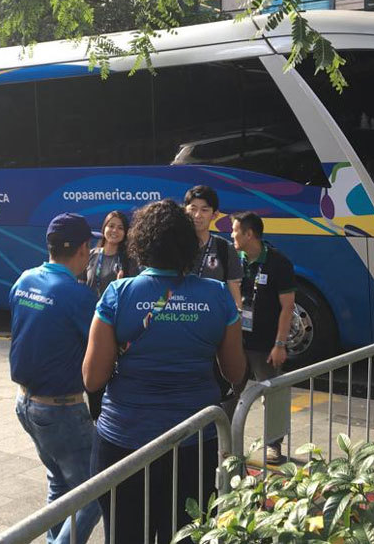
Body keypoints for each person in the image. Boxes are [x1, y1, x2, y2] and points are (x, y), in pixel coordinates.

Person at [83, 199, 246, 543]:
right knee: (185, 534)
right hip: (194, 441)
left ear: (140, 243)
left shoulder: (118, 294)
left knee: (126, 536)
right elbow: (235, 372)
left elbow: (92, 379)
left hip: (124, 441)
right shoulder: (217, 295)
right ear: (189, 245)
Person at [8, 213, 101, 544]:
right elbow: (105, 344)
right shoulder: (77, 295)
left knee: (59, 482)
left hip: (25, 403)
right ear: (83, 249)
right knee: (96, 492)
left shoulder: (25, 280)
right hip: (60, 411)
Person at [230, 211, 295, 464]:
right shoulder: (234, 259)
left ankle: (274, 445)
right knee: (229, 392)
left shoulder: (279, 263)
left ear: (249, 234)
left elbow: (287, 307)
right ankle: (226, 442)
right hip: (236, 342)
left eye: (235, 231)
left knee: (273, 393)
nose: (231, 235)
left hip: (266, 345)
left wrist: (280, 344)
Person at [184, 185, 243, 415]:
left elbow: (234, 290)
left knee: (214, 393)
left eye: (204, 210)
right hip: (181, 328)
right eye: (193, 208)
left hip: (213, 333)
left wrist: (237, 326)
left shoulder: (224, 248)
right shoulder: (176, 246)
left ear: (215, 215)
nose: (197, 215)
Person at [81, 210, 137, 420]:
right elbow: (80, 285)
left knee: (114, 375)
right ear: (104, 228)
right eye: (111, 226)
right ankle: (97, 417)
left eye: (120, 227)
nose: (114, 231)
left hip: (116, 327)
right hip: (90, 324)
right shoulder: (91, 255)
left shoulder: (129, 260)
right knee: (93, 374)